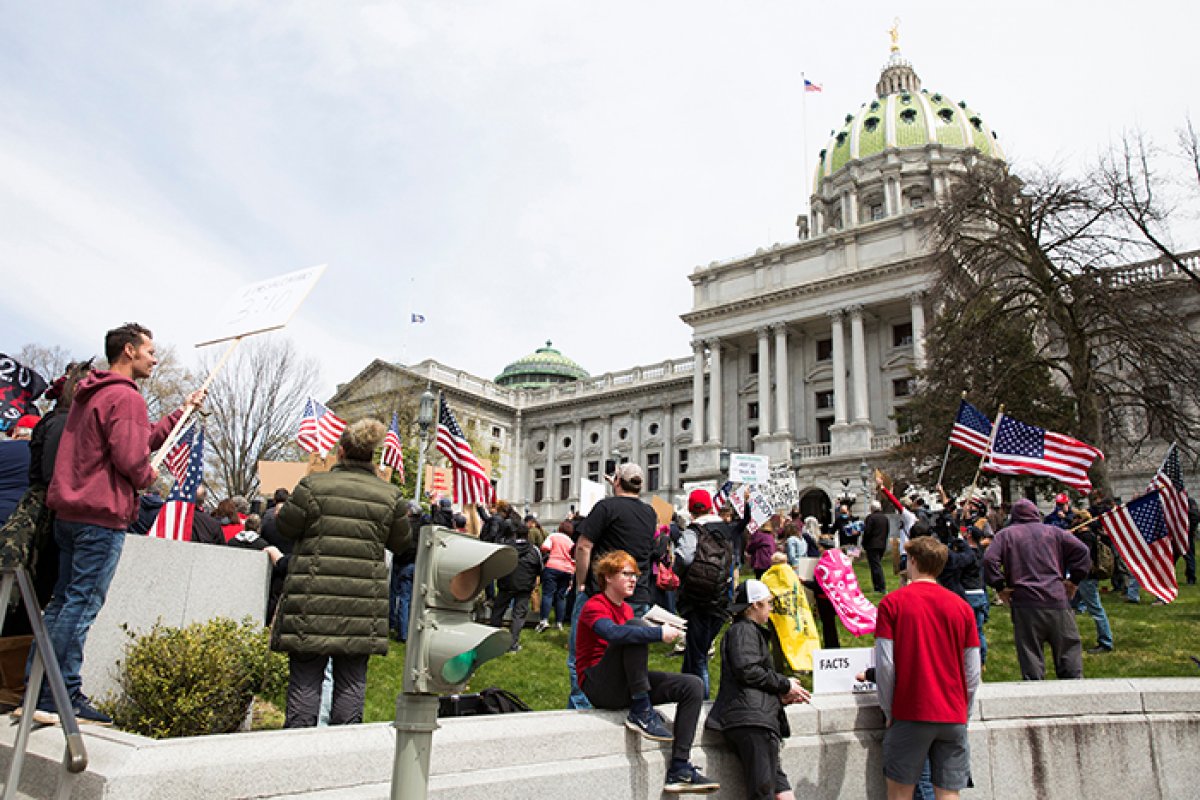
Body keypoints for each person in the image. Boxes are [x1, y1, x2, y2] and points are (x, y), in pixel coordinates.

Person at [35, 323, 204, 725]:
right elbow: (132, 459)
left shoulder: (89, 394)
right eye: (150, 351)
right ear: (128, 351)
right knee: (81, 605)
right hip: (100, 518)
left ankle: (40, 688)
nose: (155, 358)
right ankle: (60, 694)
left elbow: (139, 439)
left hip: (72, 515)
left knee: (61, 604)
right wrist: (148, 478)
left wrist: (182, 413)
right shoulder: (125, 398)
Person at [272, 418, 412, 727]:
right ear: (371, 456)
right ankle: (344, 757)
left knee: (305, 682)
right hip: (362, 602)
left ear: (340, 451)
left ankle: (295, 751)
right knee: (351, 682)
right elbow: (402, 542)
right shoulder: (390, 496)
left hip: (311, 599)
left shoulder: (313, 486)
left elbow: (285, 527)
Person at [575, 549, 717, 795]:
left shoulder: (627, 609)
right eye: (626, 574)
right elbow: (612, 633)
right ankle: (641, 710)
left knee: (692, 685)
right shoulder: (594, 605)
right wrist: (657, 633)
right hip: (598, 685)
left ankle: (680, 767)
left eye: (636, 575)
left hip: (624, 683)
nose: (634, 580)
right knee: (635, 628)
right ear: (608, 577)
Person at [874, 536, 981, 800]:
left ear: (912, 561)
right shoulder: (962, 607)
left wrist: (889, 709)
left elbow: (886, 665)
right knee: (949, 793)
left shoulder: (892, 603)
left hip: (911, 711)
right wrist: (963, 710)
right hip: (953, 714)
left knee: (900, 792)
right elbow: (973, 670)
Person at [706, 579, 810, 800]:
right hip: (752, 722)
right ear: (754, 605)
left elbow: (749, 676)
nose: (771, 608)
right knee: (762, 791)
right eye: (768, 603)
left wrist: (780, 696)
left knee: (782, 792)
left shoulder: (746, 631)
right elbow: (747, 670)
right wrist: (785, 683)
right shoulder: (743, 631)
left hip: (758, 718)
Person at [569, 462, 656, 709]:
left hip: (605, 593)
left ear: (617, 481)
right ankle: (621, 701)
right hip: (636, 594)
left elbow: (584, 546)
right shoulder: (649, 513)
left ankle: (582, 707)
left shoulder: (606, 507)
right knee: (625, 655)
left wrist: (582, 583)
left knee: (584, 655)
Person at [983, 498, 1090, 680]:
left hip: (1025, 602)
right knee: (1068, 652)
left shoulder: (1006, 535)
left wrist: (1000, 586)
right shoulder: (1054, 532)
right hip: (1057, 598)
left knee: (1030, 655)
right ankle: (1075, 697)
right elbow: (1083, 551)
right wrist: (1074, 580)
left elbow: (989, 559)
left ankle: (1034, 700)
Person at [675, 487, 738, 697]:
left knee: (699, 655)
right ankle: (685, 691)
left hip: (697, 598)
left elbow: (684, 558)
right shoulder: (726, 529)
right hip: (721, 598)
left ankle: (701, 700)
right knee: (696, 650)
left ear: (691, 510)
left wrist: (680, 574)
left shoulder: (694, 530)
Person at [490, 523, 542, 652]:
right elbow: (540, 568)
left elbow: (498, 564)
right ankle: (513, 644)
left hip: (506, 584)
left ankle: (491, 640)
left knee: (497, 612)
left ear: (515, 534)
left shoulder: (507, 548)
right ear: (527, 535)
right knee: (518, 615)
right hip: (524, 586)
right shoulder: (534, 550)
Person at [1071, 509, 1114, 654]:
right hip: (1078, 578)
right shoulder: (1082, 535)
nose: (1072, 519)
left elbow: (1083, 556)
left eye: (1075, 517)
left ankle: (1106, 641)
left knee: (1096, 609)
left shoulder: (1086, 537)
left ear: (1080, 520)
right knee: (1067, 606)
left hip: (1086, 578)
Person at [536, 521, 575, 632]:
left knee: (548, 594)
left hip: (553, 566)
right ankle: (559, 622)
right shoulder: (571, 542)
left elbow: (545, 547)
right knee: (561, 596)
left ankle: (544, 620)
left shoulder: (553, 536)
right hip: (567, 570)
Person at [862, 500, 890, 594]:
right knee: (876, 565)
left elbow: (867, 532)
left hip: (872, 545)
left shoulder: (870, 518)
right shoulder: (885, 518)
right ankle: (877, 586)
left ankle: (880, 587)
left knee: (875, 567)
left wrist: (864, 543)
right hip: (882, 544)